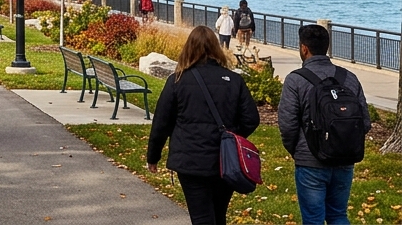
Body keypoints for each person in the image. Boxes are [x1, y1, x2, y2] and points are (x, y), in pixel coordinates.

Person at [147, 26, 259, 225]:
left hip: (190, 161)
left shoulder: (177, 81)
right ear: (216, 48)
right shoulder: (234, 80)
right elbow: (251, 119)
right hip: (226, 160)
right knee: (219, 214)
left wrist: (153, 156)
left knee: (201, 217)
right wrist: (231, 137)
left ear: (189, 48)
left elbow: (161, 123)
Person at [279, 24, 370, 225]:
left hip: (310, 161)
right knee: (338, 215)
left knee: (313, 219)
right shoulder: (349, 78)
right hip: (344, 158)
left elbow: (287, 124)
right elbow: (364, 121)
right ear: (327, 47)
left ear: (304, 48)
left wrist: (297, 150)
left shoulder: (295, 80)